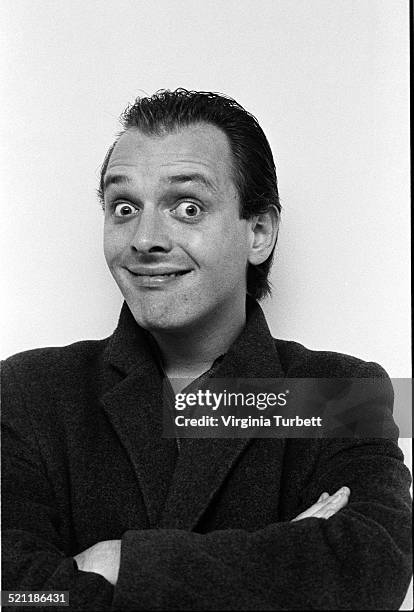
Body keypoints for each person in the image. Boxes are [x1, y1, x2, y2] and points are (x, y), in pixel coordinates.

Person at [1, 89, 411, 611]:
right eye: (123, 206)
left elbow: (367, 574)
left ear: (259, 232)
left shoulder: (337, 392)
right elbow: (16, 595)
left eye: (187, 207)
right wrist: (277, 560)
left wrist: (117, 562)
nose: (145, 238)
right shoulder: (25, 392)